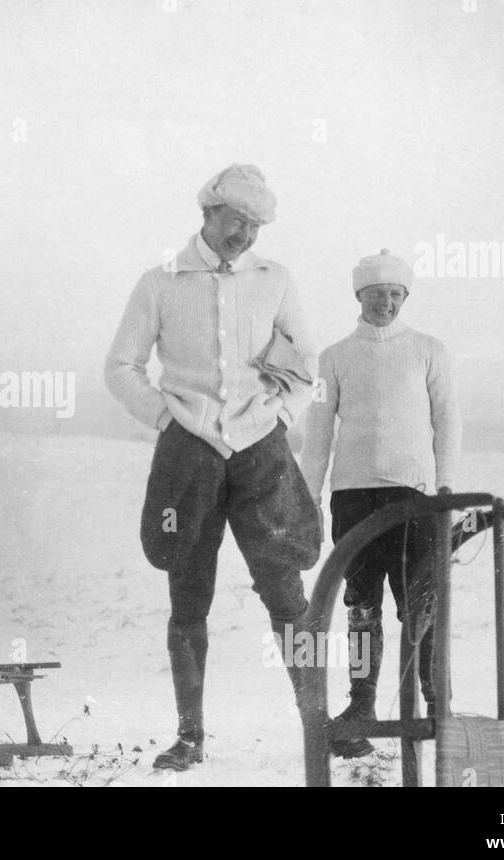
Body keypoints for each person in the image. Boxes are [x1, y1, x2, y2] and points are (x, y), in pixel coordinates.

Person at [105, 164, 323, 772]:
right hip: (189, 454)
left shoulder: (275, 280)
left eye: (255, 227)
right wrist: (166, 419)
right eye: (236, 222)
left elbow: (306, 362)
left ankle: (317, 726)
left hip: (261, 452)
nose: (244, 236)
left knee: (288, 590)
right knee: (188, 592)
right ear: (207, 214)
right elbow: (120, 365)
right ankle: (190, 736)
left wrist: (279, 415)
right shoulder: (160, 283)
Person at [299, 249, 462, 757]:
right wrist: (311, 497)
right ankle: (361, 706)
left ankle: (436, 707)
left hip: (414, 498)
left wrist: (446, 489)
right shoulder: (334, 357)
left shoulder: (429, 350)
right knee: (361, 605)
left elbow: (447, 420)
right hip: (353, 499)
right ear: (359, 296)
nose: (385, 303)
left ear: (405, 296)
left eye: (395, 294)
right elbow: (319, 428)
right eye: (375, 294)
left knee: (421, 606)